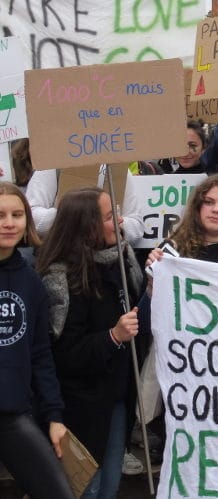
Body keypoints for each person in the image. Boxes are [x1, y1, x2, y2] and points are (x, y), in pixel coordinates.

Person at [38, 187, 144, 499]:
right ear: (86, 226)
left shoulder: (122, 260)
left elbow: (140, 322)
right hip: (79, 407)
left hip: (116, 396)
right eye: (110, 216)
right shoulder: (61, 276)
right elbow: (63, 355)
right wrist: (113, 337)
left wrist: (150, 288)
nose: (120, 221)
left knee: (108, 487)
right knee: (87, 488)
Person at [0, 183, 73, 499]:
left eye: (17, 214)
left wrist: (55, 417)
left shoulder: (30, 280)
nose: (9, 223)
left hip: (13, 414)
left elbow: (41, 354)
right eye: (0, 215)